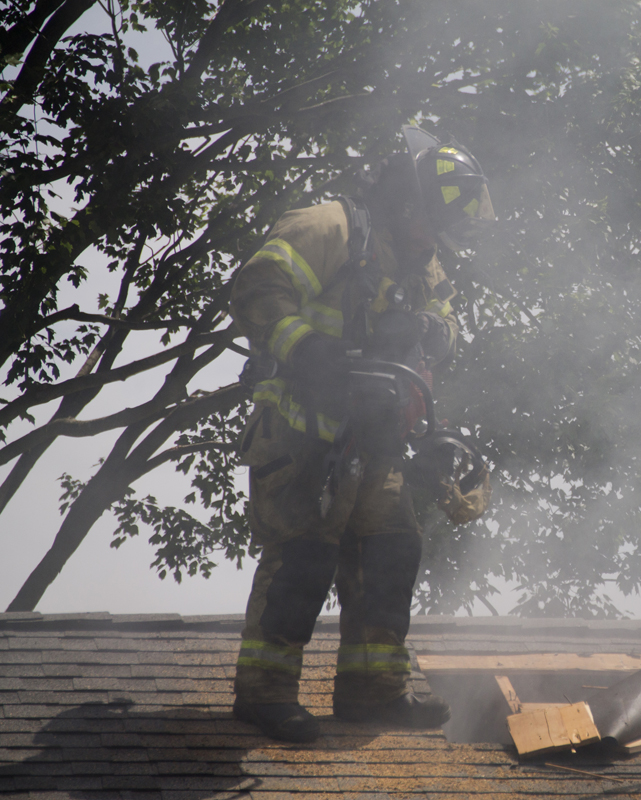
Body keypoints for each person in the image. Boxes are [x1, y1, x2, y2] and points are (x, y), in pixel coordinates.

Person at [228, 126, 495, 742]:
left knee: (392, 550)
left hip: (377, 441)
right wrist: (306, 348)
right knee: (303, 557)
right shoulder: (332, 227)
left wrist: (431, 330)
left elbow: (446, 329)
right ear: (408, 202)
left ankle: (372, 694)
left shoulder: (423, 262)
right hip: (302, 432)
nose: (437, 241)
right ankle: (263, 695)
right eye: (433, 221)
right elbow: (256, 286)